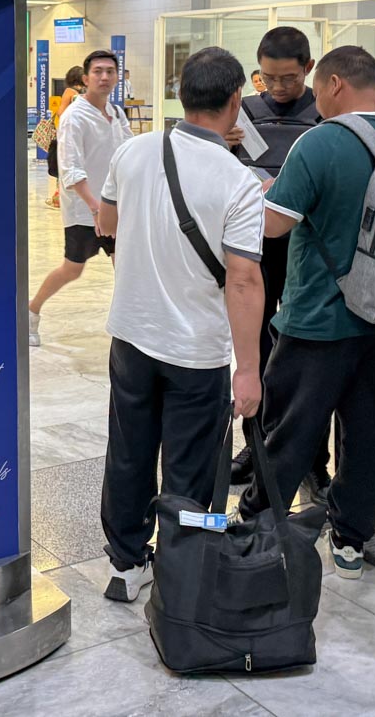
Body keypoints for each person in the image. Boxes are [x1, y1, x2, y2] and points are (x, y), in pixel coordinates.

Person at [95, 47, 266, 602]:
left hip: (131, 336)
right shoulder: (239, 181)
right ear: (236, 100)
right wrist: (248, 370)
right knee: (189, 466)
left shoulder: (133, 150)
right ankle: (180, 570)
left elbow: (106, 222)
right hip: (196, 351)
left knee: (128, 452)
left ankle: (125, 565)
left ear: (181, 94)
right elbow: (243, 280)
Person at [236, 45, 375, 582]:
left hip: (318, 317)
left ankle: (258, 530)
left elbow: (274, 225)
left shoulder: (321, 141)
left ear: (333, 84)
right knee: (367, 433)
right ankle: (351, 540)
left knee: (289, 432)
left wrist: (262, 191)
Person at [226, 27, 330, 499]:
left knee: (307, 354)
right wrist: (221, 144)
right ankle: (258, 447)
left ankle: (311, 458)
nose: (279, 87)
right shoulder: (244, 111)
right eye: (269, 78)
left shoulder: (325, 112)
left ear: (308, 68)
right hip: (256, 246)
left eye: (289, 78)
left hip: (308, 248)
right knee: (257, 350)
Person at [29, 51, 130, 346]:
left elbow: (128, 154)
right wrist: (95, 208)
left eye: (110, 71)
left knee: (126, 267)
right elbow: (70, 168)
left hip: (115, 208)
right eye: (98, 71)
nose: (104, 77)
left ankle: (129, 329)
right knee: (72, 269)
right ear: (85, 78)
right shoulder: (75, 116)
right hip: (85, 211)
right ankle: (31, 311)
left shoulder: (117, 114)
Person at [45, 66, 84, 209]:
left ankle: (58, 199)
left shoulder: (69, 92)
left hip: (67, 134)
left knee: (63, 166)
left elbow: (61, 112)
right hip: (80, 135)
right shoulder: (85, 93)